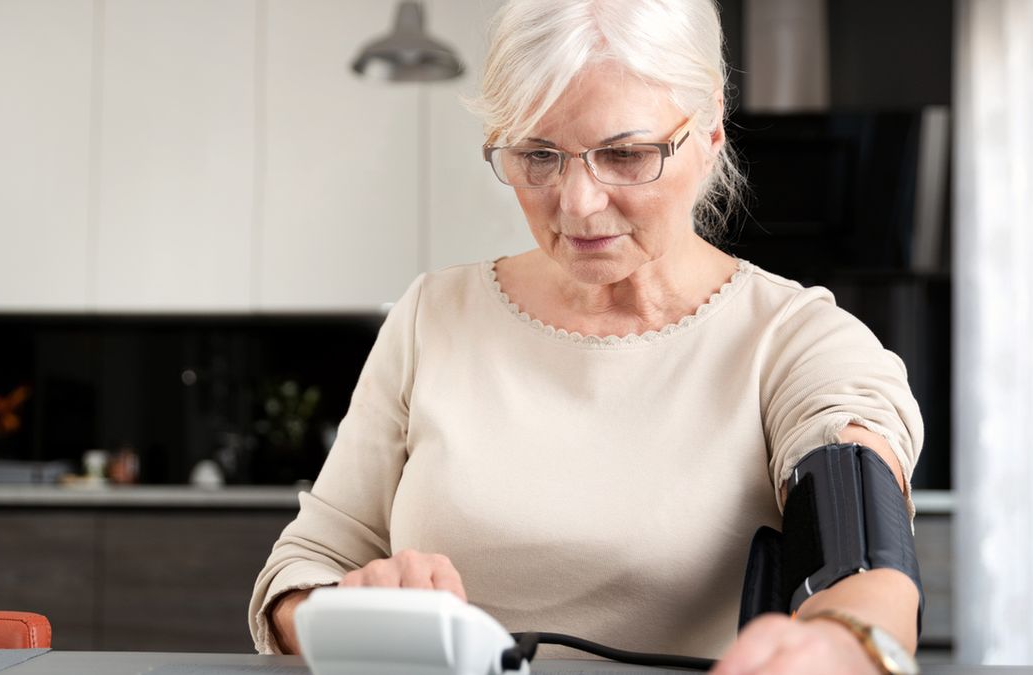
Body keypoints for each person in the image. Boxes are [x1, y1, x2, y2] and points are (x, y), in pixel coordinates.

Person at [249, 0, 924, 672]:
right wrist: (348, 610)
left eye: (626, 154)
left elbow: (862, 556)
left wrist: (845, 639)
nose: (577, 203)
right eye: (538, 155)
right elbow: (302, 570)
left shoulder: (794, 341)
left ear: (711, 129)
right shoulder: (433, 317)